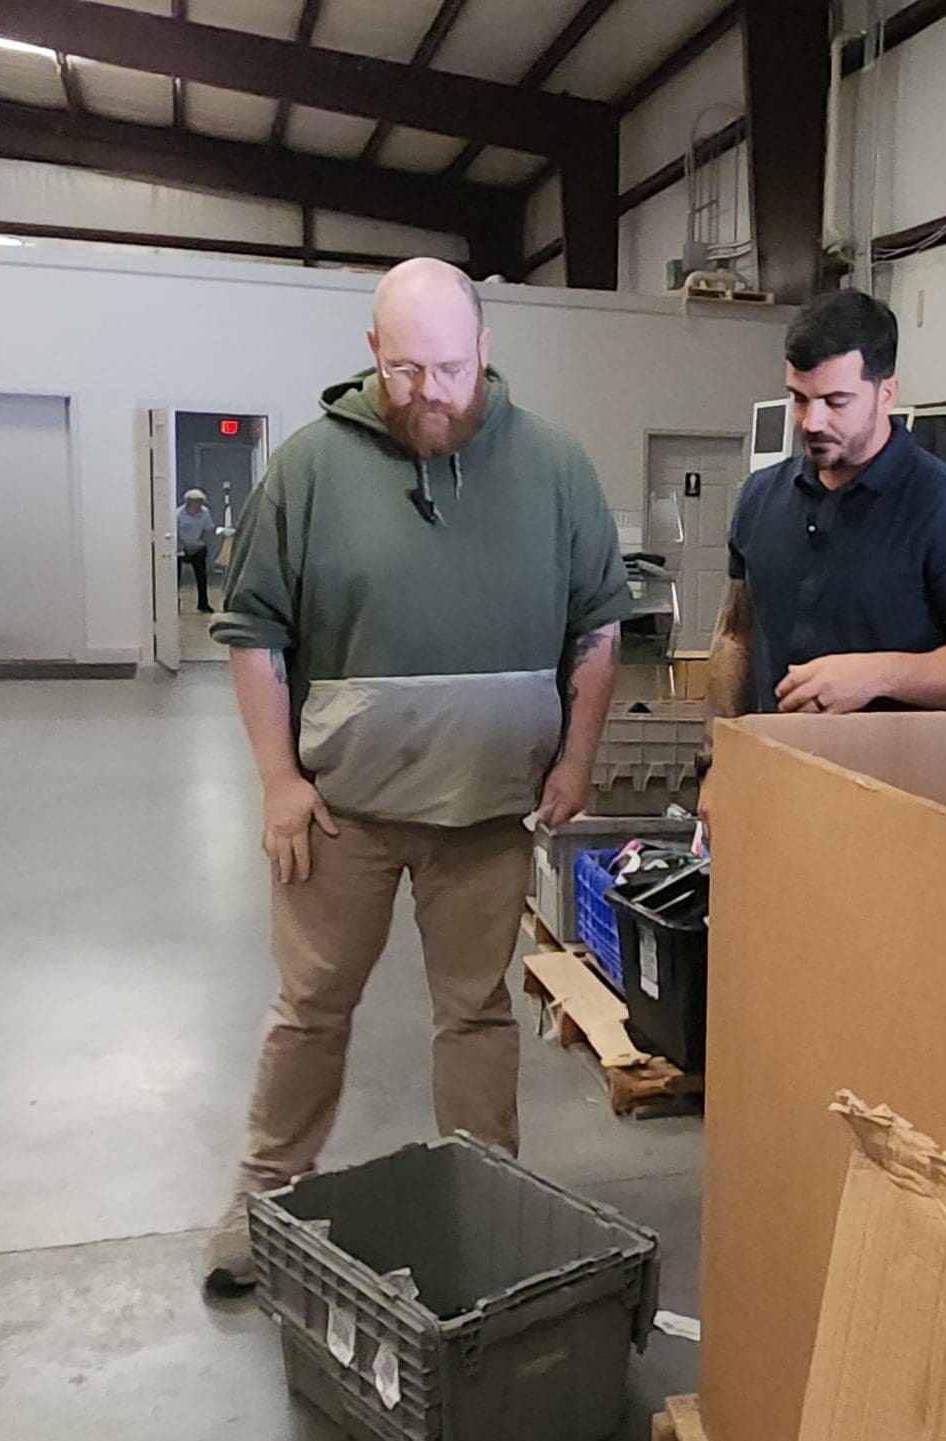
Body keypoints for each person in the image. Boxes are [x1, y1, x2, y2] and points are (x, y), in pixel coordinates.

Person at [199, 257, 631, 1293]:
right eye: (403, 369)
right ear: (371, 355)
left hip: (486, 811)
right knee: (310, 1005)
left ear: (484, 350)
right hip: (339, 814)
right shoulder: (306, 470)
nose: (427, 392)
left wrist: (574, 757)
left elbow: (599, 629)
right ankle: (260, 1199)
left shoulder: (556, 469)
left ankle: (487, 1199)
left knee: (475, 1014)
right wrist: (277, 782)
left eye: (446, 367)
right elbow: (252, 635)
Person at [706, 288, 946, 736]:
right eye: (799, 399)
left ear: (886, 393)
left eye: (836, 402)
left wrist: (879, 675)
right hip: (774, 776)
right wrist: (716, 759)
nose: (812, 422)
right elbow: (734, 636)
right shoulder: (760, 497)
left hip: (893, 790)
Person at [176, 488, 216, 613]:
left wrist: (202, 542)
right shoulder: (178, 513)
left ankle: (203, 604)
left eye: (200, 502)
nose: (198, 504)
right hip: (180, 547)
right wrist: (178, 544)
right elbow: (173, 530)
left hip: (197, 547)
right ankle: (174, 601)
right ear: (188, 502)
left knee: (201, 576)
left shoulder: (205, 513)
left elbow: (208, 530)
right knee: (175, 577)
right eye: (196, 501)